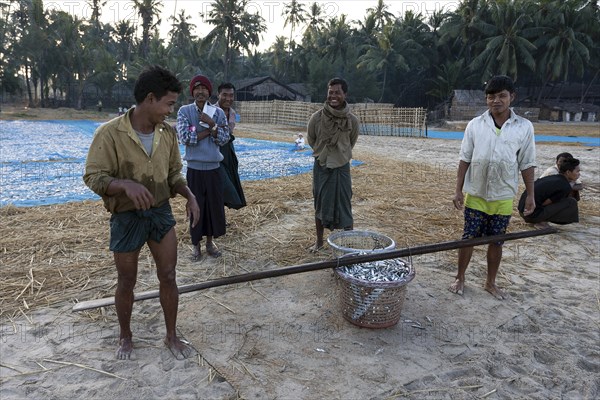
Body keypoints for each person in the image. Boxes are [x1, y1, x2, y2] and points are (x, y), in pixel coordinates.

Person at [83, 65, 200, 360]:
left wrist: (189, 195)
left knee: (169, 275)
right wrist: (123, 185)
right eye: (169, 103)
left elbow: (174, 174)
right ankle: (125, 336)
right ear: (150, 98)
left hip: (160, 213)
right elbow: (93, 177)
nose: (171, 111)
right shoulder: (109, 133)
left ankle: (171, 336)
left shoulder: (167, 134)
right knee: (127, 281)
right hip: (126, 217)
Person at [450, 75, 536, 300]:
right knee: (468, 238)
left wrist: (530, 195)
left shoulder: (523, 127)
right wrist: (458, 190)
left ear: (511, 97)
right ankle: (460, 277)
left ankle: (490, 282)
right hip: (476, 193)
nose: (495, 101)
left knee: (496, 241)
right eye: (491, 96)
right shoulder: (475, 125)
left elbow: (527, 163)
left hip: (503, 196)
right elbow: (464, 159)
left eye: (501, 96)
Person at [177, 75, 229, 260]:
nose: (201, 92)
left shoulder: (218, 113)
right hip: (195, 169)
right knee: (195, 207)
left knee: (213, 208)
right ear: (192, 91)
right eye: (197, 88)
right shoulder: (185, 111)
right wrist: (211, 129)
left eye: (204, 89)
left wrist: (212, 123)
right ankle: (195, 246)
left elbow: (224, 139)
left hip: (214, 168)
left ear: (209, 92)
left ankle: (209, 242)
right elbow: (186, 139)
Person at [307, 77, 360, 251]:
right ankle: (319, 242)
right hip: (322, 166)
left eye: (337, 92)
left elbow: (350, 143)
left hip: (342, 167)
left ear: (345, 94)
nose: (333, 96)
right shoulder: (316, 118)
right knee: (320, 203)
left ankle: (348, 244)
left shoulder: (352, 120)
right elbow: (311, 139)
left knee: (345, 203)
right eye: (330, 92)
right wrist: (325, 155)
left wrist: (339, 156)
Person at [518, 157, 580, 228]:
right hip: (531, 215)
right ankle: (540, 222)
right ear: (568, 172)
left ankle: (538, 219)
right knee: (571, 202)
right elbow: (545, 203)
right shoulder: (565, 186)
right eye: (577, 171)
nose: (579, 174)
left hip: (522, 211)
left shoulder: (553, 177)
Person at [215, 82, 246, 210]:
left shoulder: (232, 113)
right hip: (215, 151)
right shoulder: (211, 111)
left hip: (229, 151)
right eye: (225, 95)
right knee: (222, 183)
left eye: (231, 95)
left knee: (228, 181)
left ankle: (220, 217)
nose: (228, 98)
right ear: (218, 95)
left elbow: (229, 133)